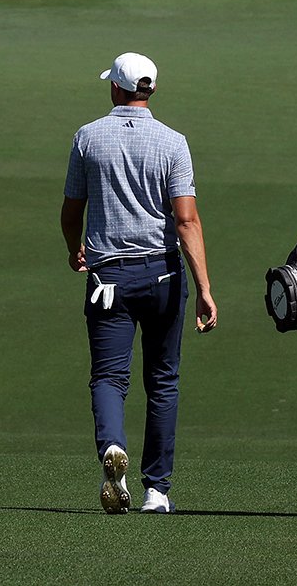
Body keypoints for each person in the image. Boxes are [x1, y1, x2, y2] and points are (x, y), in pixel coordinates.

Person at [61, 52, 218, 515]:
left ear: (116, 88)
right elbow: (186, 220)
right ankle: (157, 490)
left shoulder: (88, 137)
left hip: (108, 276)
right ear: (150, 90)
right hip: (164, 275)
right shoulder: (174, 142)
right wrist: (204, 287)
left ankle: (113, 448)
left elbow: (72, 209)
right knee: (163, 380)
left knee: (109, 377)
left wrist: (75, 249)